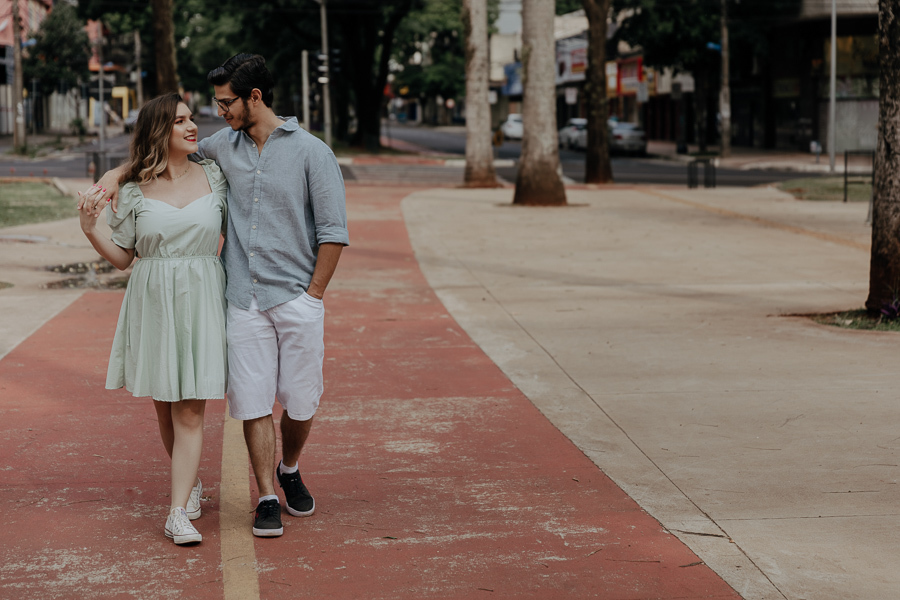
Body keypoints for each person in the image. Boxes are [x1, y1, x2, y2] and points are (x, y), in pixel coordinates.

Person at [84, 54, 349, 538]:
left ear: (255, 98)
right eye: (211, 105)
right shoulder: (220, 148)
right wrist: (110, 179)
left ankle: (289, 467)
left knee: (301, 400)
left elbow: (333, 232)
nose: (216, 113)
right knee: (250, 402)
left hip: (296, 296)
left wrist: (313, 295)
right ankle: (266, 495)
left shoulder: (313, 152)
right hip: (242, 298)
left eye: (225, 103)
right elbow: (156, 150)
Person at [77, 94, 228, 546]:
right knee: (165, 404)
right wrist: (90, 230)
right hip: (154, 299)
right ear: (159, 131)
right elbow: (124, 258)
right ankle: (190, 483)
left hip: (203, 294)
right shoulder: (136, 190)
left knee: (191, 408)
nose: (190, 126)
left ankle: (177, 511)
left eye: (190, 118)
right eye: (178, 120)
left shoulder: (215, 175)